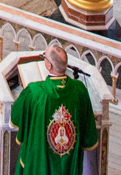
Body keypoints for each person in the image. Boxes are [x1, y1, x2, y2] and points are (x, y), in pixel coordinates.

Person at [10, 41, 98, 174]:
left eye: (44, 57)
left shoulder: (35, 92)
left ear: (48, 65)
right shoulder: (80, 90)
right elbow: (88, 132)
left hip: (39, 165)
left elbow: (16, 115)